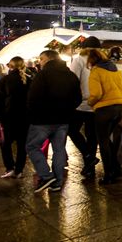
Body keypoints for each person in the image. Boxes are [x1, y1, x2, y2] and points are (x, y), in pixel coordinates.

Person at [26, 50, 82, 192]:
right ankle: (57, 183)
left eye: (42, 58)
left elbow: (32, 98)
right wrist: (68, 110)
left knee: (32, 147)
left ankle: (46, 176)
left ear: (49, 59)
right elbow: (78, 98)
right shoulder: (70, 75)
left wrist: (33, 113)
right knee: (59, 150)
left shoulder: (43, 75)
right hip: (63, 119)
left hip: (42, 120)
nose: (40, 61)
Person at [87, 49, 122, 184]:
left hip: (104, 110)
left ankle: (109, 175)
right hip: (119, 107)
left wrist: (89, 102)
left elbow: (97, 94)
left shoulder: (96, 71)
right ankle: (116, 169)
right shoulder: (115, 69)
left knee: (103, 142)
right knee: (109, 140)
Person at [0, 56, 31, 178]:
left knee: (6, 144)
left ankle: (9, 168)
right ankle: (19, 170)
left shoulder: (4, 80)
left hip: (7, 118)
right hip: (25, 118)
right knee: (22, 145)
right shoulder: (29, 80)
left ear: (10, 66)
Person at [69, 36, 101, 178]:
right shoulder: (101, 61)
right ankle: (89, 167)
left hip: (81, 103)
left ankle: (88, 157)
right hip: (98, 103)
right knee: (92, 135)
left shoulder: (79, 60)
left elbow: (73, 80)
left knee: (72, 130)